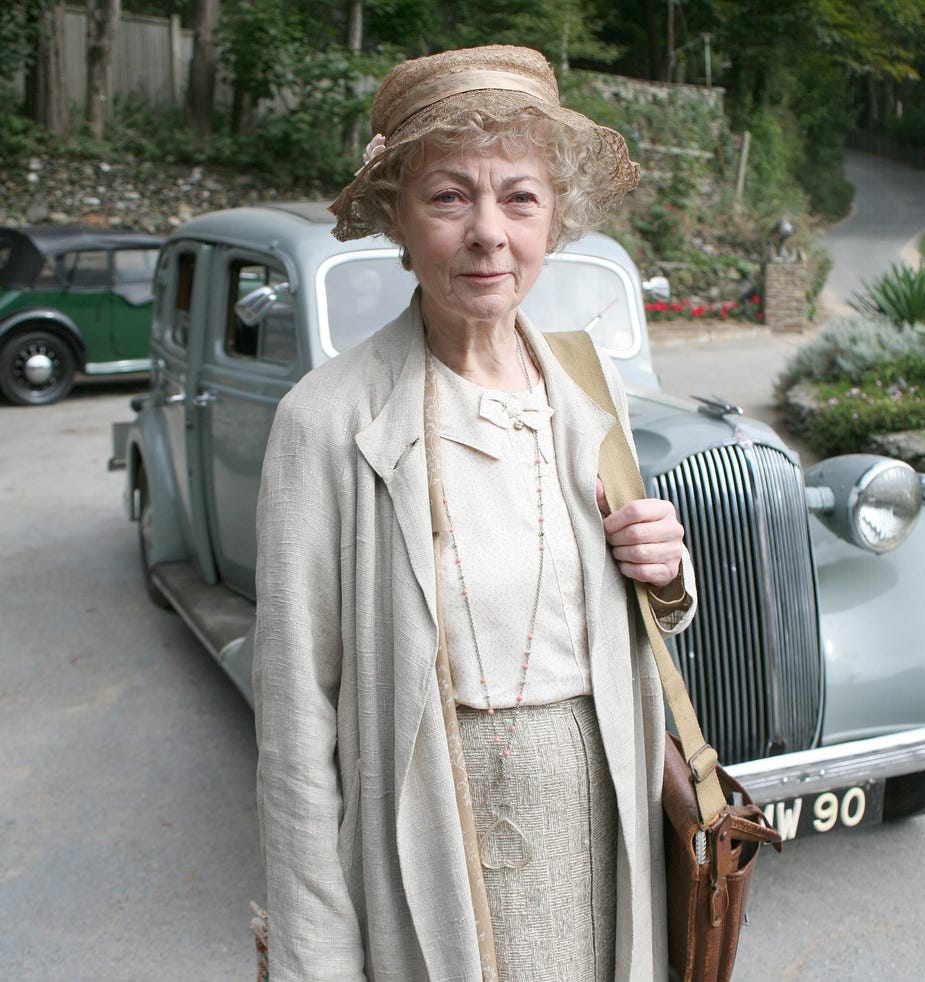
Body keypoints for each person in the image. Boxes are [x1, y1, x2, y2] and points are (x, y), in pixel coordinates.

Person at [253, 44, 697, 982]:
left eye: (520, 198)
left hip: (601, 822)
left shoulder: (587, 383)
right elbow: (295, 730)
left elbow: (614, 613)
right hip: (435, 838)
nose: (488, 231)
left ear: (555, 219)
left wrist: (667, 571)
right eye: (450, 197)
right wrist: (317, 961)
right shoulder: (327, 422)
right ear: (398, 220)